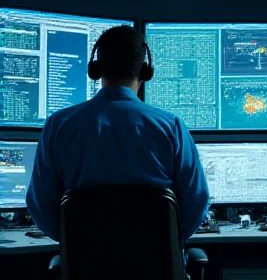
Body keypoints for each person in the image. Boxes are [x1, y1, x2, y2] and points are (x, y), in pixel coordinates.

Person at [26, 25, 210, 244]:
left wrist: (72, 243)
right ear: (145, 71)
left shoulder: (59, 125)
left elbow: (40, 205)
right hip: (157, 273)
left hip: (84, 272)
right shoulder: (171, 126)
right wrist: (168, 245)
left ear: (96, 68)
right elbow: (197, 202)